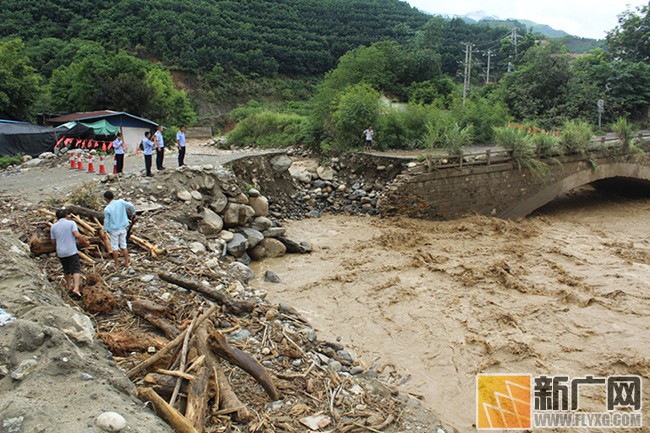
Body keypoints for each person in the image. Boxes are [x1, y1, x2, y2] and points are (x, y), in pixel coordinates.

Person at [50, 208, 89, 297]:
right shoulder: (71, 223)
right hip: (71, 250)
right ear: (66, 216)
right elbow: (77, 234)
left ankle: (68, 285)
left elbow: (53, 241)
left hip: (61, 252)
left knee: (66, 269)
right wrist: (85, 242)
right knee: (76, 269)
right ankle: (76, 288)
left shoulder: (53, 227)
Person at [103, 191, 136, 269]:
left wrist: (105, 231)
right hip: (123, 227)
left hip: (114, 230)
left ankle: (116, 264)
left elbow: (106, 221)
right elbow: (131, 205)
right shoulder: (121, 202)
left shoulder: (107, 209)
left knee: (114, 247)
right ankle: (126, 263)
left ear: (106, 199)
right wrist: (134, 214)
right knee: (124, 245)